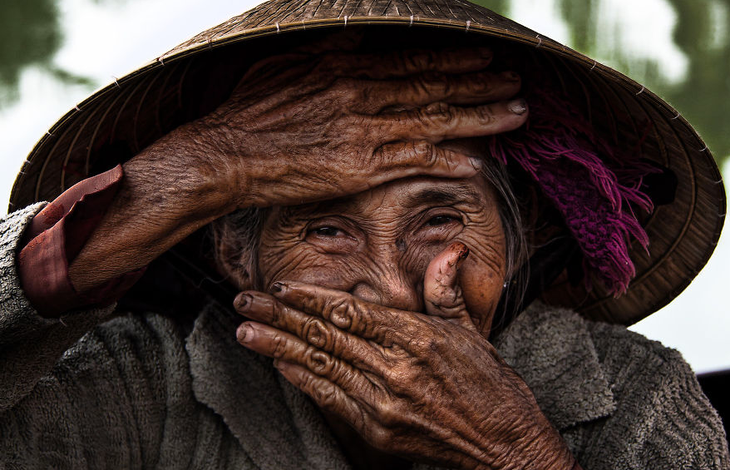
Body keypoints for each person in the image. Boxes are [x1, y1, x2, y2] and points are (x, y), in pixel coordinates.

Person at [1, 0, 728, 468]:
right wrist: (196, 170)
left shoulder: (638, 403)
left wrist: (513, 456)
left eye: (440, 220)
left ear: (520, 235)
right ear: (235, 255)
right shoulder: (136, 390)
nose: (388, 287)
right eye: (325, 228)